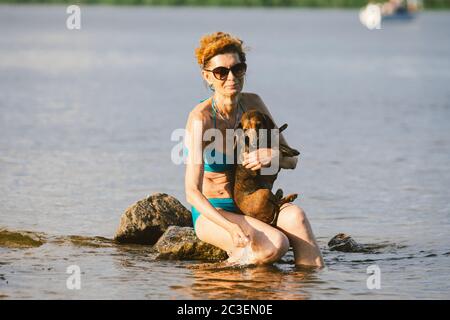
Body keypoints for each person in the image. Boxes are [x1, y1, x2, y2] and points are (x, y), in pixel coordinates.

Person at [184, 31, 324, 268]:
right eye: (221, 72)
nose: (231, 77)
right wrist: (230, 227)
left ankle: (304, 290)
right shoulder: (201, 119)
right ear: (207, 76)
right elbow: (191, 192)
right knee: (276, 244)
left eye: (237, 69)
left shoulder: (254, 104)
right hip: (216, 211)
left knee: (297, 218)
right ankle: (221, 277)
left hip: (255, 205)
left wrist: (275, 155)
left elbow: (293, 160)